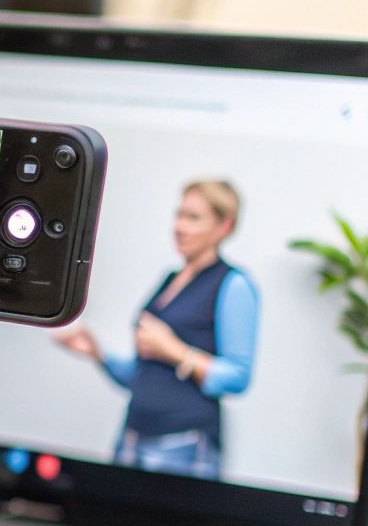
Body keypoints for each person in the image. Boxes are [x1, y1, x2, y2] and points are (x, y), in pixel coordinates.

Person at [55, 180, 258, 480]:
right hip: (133, 436)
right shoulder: (170, 280)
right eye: (179, 215)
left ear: (224, 226)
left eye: (193, 217)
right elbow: (143, 375)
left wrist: (175, 351)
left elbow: (238, 377)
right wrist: (98, 354)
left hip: (184, 444)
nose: (179, 226)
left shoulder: (234, 284)